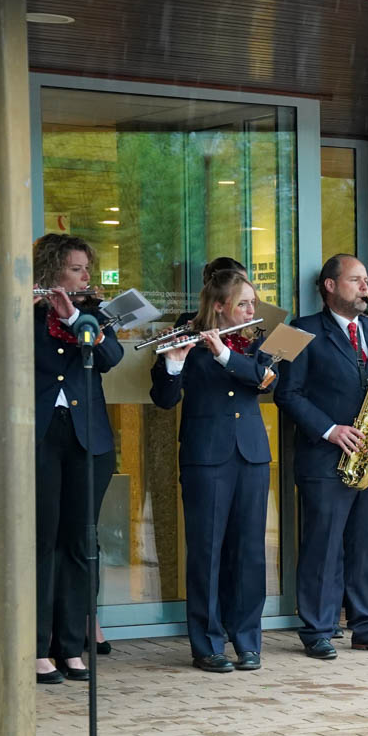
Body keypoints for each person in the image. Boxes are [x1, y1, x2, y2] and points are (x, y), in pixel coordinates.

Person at [275, 254, 368, 659]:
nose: (365, 288)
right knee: (323, 547)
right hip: (324, 458)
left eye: (366, 280)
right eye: (356, 280)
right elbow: (286, 394)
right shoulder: (296, 330)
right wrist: (330, 430)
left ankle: (367, 626)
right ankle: (317, 629)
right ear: (330, 286)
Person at [149, 270, 273, 672]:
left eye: (252, 303)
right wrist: (173, 363)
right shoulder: (187, 339)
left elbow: (266, 381)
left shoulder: (257, 343)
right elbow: (164, 399)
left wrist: (224, 353)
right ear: (219, 306)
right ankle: (207, 644)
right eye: (243, 304)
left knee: (250, 552)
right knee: (206, 552)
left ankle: (247, 641)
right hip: (206, 458)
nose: (251, 310)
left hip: (251, 456)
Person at [32, 234, 123, 686]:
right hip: (40, 435)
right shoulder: (25, 313)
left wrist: (73, 318)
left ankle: (71, 647)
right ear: (52, 271)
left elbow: (110, 357)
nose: (86, 276)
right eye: (75, 269)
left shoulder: (93, 315)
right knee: (42, 542)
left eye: (87, 268)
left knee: (79, 543)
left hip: (88, 439)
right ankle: (36, 647)